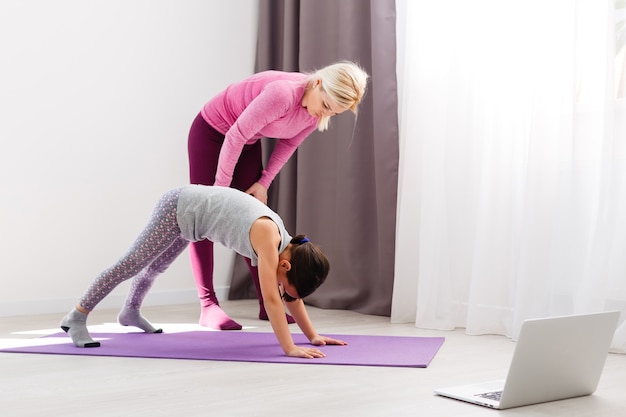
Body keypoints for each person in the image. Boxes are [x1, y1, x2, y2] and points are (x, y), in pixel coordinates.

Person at [60, 185, 346, 358]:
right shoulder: (269, 237)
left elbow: (289, 298)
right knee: (132, 263)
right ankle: (77, 316)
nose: (284, 291)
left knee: (157, 266)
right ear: (286, 266)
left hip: (193, 219)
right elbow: (273, 299)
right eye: (286, 285)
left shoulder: (285, 246)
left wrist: (312, 336)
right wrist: (289, 348)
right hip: (178, 207)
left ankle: (130, 312)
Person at [188, 60, 369, 330]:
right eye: (327, 106)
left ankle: (266, 301)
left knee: (255, 220)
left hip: (246, 141)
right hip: (212, 133)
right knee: (201, 218)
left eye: (335, 112)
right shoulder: (282, 94)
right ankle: (208, 304)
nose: (325, 115)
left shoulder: (315, 112)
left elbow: (289, 144)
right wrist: (220, 190)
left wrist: (263, 182)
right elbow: (234, 135)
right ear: (317, 83)